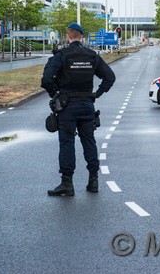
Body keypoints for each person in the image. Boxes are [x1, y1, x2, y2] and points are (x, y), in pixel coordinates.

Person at [41, 23, 116, 197]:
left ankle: (67, 183)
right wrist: (97, 93)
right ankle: (93, 180)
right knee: (89, 141)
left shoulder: (61, 56)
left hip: (67, 106)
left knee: (67, 143)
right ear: (81, 37)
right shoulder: (91, 56)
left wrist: (55, 95)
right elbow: (109, 77)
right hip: (87, 105)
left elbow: (46, 79)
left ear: (68, 36)